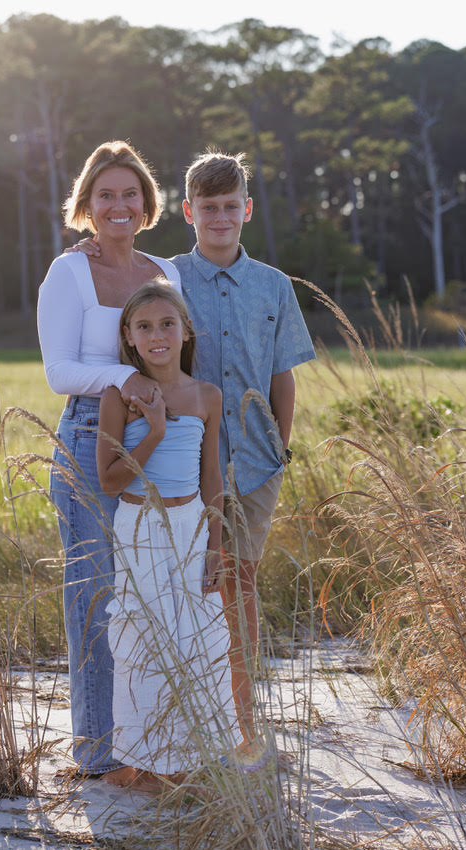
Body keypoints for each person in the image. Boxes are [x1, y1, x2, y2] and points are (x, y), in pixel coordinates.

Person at [72, 150, 316, 759]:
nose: (220, 218)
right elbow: (126, 289)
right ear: (188, 212)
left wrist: (280, 446)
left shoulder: (274, 286)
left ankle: (243, 724)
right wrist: (90, 250)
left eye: (230, 206)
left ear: (247, 210)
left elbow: (283, 376)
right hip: (181, 466)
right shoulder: (169, 277)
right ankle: (178, 728)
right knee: (182, 593)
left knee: (238, 585)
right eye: (208, 208)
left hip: (256, 462)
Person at [37, 141, 182, 780]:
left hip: (161, 438)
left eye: (130, 194)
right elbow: (58, 372)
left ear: (146, 204)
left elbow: (175, 352)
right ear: (88, 207)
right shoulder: (68, 272)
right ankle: (97, 755)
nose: (118, 205)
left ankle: (150, 746)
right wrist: (126, 377)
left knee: (153, 594)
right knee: (95, 598)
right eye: (106, 196)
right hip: (91, 438)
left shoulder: (164, 273)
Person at [95, 280, 234, 793]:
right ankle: (147, 764)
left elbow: (212, 477)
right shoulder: (120, 395)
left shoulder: (205, 396)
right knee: (143, 637)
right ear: (129, 338)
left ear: (185, 331)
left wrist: (215, 546)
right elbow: (110, 479)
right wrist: (153, 430)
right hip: (140, 526)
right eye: (145, 327)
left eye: (167, 324)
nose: (157, 335)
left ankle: (191, 757)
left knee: (196, 637)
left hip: (193, 524)